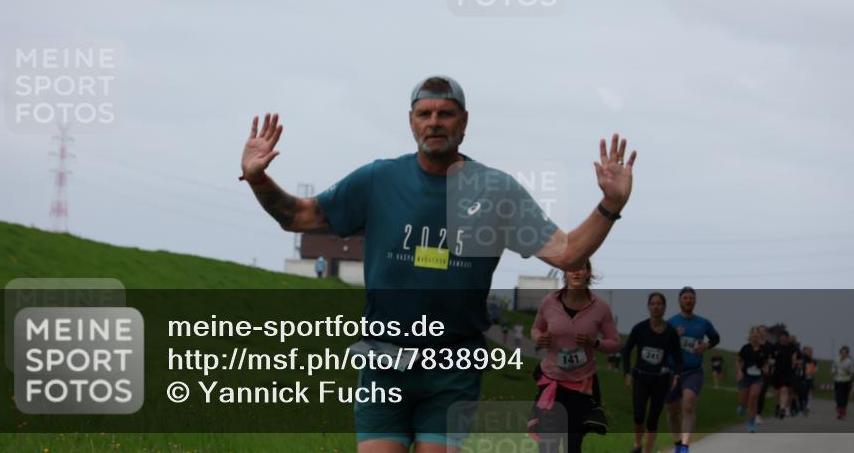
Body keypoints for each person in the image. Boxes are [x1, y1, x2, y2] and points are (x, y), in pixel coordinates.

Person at [241, 75, 639, 453]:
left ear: (464, 123)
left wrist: (611, 205)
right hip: (383, 363)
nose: (434, 122)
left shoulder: (496, 190)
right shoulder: (380, 179)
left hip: (451, 370)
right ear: (411, 122)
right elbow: (299, 216)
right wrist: (259, 180)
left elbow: (567, 252)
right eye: (424, 114)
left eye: (445, 113)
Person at [530, 260, 620, 453]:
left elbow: (615, 342)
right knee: (548, 445)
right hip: (552, 383)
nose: (577, 272)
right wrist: (540, 338)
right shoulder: (549, 301)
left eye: (582, 267)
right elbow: (536, 328)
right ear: (565, 273)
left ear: (588, 273)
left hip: (581, 387)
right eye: (572, 268)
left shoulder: (601, 308)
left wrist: (594, 342)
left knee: (573, 445)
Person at [622, 292, 682, 453]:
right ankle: (637, 445)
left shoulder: (670, 332)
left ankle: (648, 450)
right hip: (641, 377)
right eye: (653, 303)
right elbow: (626, 351)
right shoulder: (639, 328)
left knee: (653, 419)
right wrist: (627, 373)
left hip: (660, 381)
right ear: (649, 307)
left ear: (664, 307)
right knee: (639, 415)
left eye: (659, 304)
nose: (656, 306)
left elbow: (678, 357)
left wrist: (676, 374)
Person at [665, 287, 721, 453]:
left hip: (693, 371)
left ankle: (685, 446)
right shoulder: (671, 322)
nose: (688, 300)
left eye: (691, 298)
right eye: (685, 298)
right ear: (680, 301)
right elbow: (662, 343)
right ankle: (677, 443)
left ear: (695, 301)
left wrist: (706, 345)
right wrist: (673, 335)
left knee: (688, 405)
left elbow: (716, 338)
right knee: (672, 411)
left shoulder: (703, 323)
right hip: (672, 371)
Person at [736, 327, 769, 433]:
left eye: (757, 335)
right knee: (743, 400)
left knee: (753, 399)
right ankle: (742, 406)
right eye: (753, 335)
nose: (755, 337)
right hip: (745, 377)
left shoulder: (764, 350)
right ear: (750, 337)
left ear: (760, 337)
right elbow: (738, 361)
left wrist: (766, 368)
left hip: (757, 378)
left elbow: (766, 363)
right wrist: (740, 372)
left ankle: (750, 423)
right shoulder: (745, 348)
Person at [770, 331, 800, 419]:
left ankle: (782, 409)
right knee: (777, 392)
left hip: (787, 372)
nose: (783, 339)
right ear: (779, 338)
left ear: (787, 338)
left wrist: (794, 362)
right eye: (781, 338)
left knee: (784, 390)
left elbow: (794, 357)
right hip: (777, 372)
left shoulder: (792, 347)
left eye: (784, 338)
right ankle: (778, 405)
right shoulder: (775, 346)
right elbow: (770, 357)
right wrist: (771, 361)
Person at [832, 345, 854, 420]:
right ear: (840, 353)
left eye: (845, 353)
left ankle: (843, 410)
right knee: (838, 396)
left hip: (846, 381)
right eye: (842, 352)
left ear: (847, 354)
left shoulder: (850, 362)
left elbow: (853, 372)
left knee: (844, 397)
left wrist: (848, 371)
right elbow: (833, 367)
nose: (843, 354)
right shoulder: (836, 359)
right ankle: (840, 409)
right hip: (837, 380)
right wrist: (834, 371)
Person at [799, 345, 818, 416]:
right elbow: (799, 367)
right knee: (802, 394)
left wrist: (809, 372)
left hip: (809, 379)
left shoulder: (813, 361)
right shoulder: (802, 359)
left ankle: (807, 406)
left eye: (811, 352)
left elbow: (815, 369)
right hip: (801, 379)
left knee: (809, 392)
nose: (809, 353)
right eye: (808, 351)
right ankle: (802, 408)